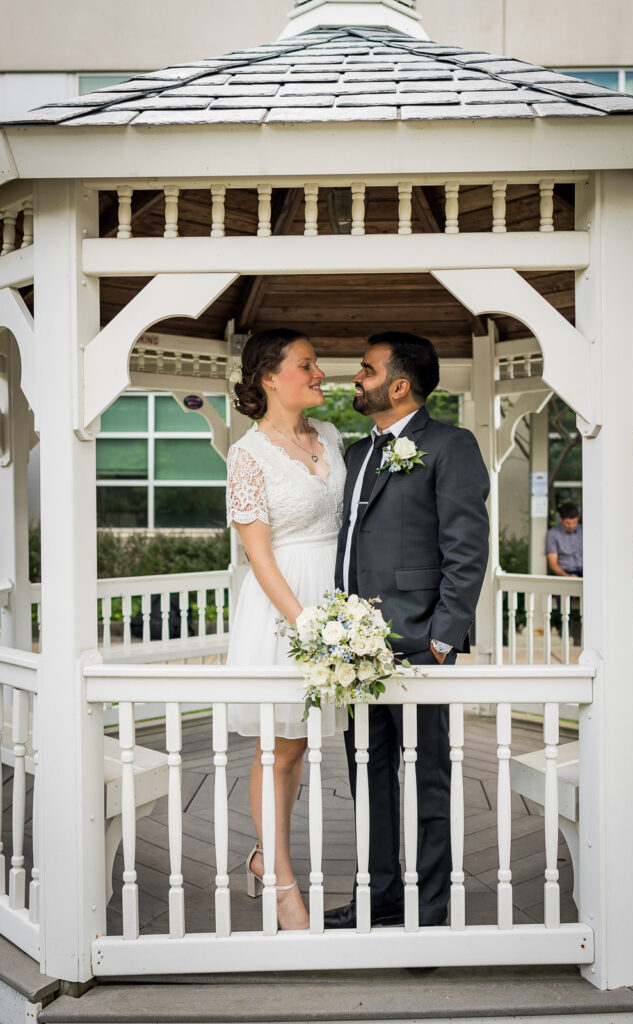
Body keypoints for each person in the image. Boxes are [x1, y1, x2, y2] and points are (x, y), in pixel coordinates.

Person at [324, 332, 490, 930]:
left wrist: (443, 639)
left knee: (428, 782)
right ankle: (380, 895)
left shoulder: (451, 446)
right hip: (352, 651)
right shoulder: (354, 453)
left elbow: (467, 550)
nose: (355, 379)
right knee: (367, 778)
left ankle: (431, 908)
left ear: (398, 385)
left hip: (421, 645)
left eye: (364, 369)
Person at [226, 328, 346, 930]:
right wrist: (308, 625)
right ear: (270, 377)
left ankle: (261, 858)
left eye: (317, 362)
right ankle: (280, 883)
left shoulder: (330, 435)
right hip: (284, 608)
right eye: (308, 364)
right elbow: (259, 556)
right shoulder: (247, 455)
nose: (320, 373)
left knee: (300, 745)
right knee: (277, 746)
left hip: (336, 600)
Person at [546, 502, 583, 579]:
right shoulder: (553, 534)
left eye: (574, 522)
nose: (572, 526)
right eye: (568, 523)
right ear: (561, 519)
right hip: (564, 573)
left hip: (585, 572)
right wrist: (567, 576)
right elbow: (553, 563)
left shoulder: (583, 531)